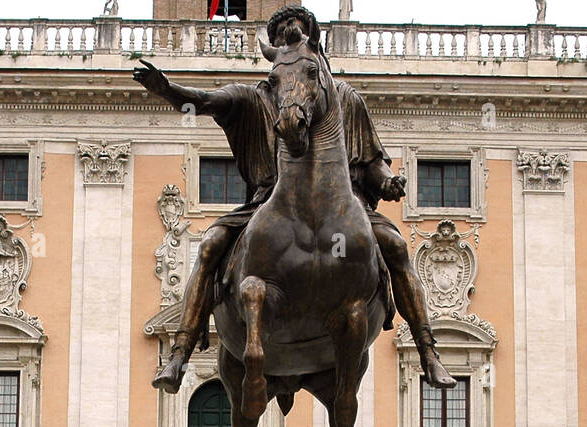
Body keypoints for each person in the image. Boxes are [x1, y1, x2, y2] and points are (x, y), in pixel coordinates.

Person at [136, 4, 453, 394]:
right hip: (269, 204)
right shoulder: (257, 98)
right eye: (281, 28)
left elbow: (371, 160)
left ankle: (427, 350)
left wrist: (387, 182)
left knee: (395, 245)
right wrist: (167, 90)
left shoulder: (343, 98)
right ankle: (181, 353)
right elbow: (204, 101)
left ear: (312, 41)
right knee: (211, 246)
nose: (289, 32)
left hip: (341, 207)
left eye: (297, 27)